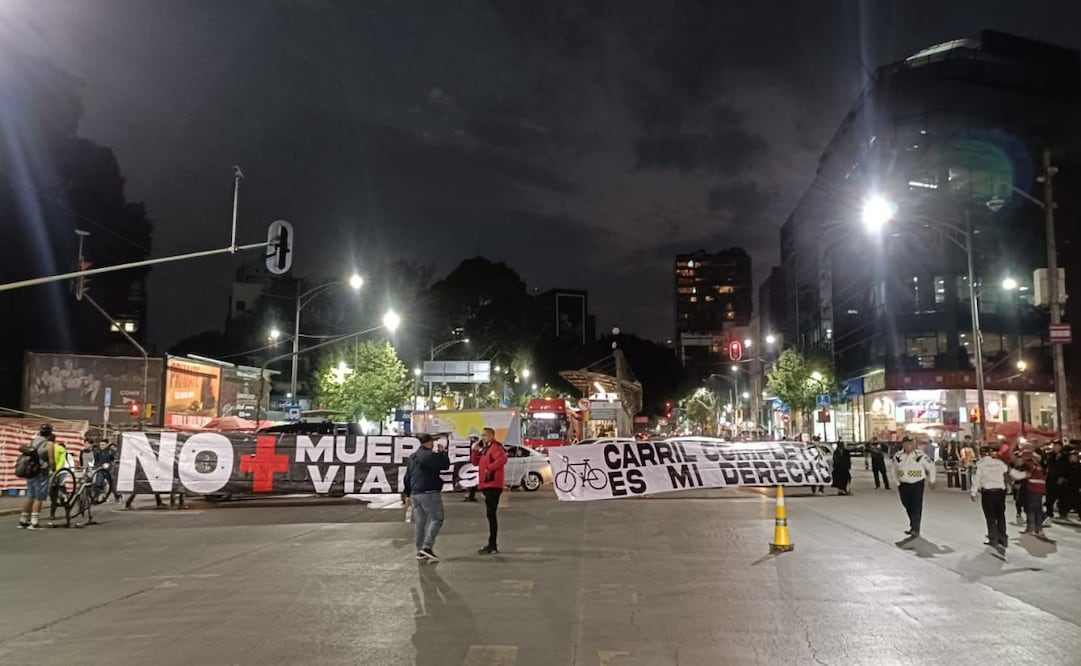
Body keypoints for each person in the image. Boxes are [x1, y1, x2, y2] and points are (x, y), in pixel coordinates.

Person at [402, 433, 451, 561]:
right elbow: (445, 465)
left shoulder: (412, 457)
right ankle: (427, 547)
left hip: (415, 493)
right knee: (437, 518)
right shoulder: (430, 455)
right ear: (429, 442)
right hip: (429, 492)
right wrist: (443, 453)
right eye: (432, 442)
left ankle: (420, 550)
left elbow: (407, 476)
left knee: (420, 522)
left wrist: (407, 494)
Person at [970, 446, 1021, 551]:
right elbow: (1008, 473)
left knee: (991, 517)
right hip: (1000, 492)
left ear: (980, 454)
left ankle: (993, 538)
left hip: (988, 493)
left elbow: (976, 479)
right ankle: (1003, 538)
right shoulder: (999, 463)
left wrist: (973, 492)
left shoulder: (980, 464)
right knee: (1000, 515)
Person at [472, 427, 507, 555]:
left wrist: (489, 468)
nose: (483, 437)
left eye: (485, 435)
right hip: (486, 484)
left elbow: (502, 459)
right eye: (482, 435)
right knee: (490, 515)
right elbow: (475, 462)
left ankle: (492, 544)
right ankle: (492, 544)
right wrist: (475, 451)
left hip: (493, 484)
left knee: (491, 515)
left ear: (491, 436)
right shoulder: (485, 449)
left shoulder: (495, 447)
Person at [893, 436, 936, 537]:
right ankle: (913, 524)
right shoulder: (898, 456)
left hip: (917, 483)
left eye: (912, 443)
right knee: (906, 504)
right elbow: (893, 469)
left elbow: (931, 467)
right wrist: (897, 482)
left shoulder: (920, 455)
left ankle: (915, 528)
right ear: (904, 445)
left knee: (916, 505)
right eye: (908, 444)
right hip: (903, 484)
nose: (911, 446)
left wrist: (932, 480)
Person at [17, 424, 55, 530]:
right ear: (50, 433)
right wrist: (54, 470)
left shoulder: (32, 441)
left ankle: (23, 520)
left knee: (30, 496)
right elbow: (51, 460)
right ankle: (34, 522)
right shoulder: (49, 444)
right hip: (42, 472)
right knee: (39, 497)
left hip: (31, 471)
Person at [1018, 453, 1048, 538]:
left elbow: (1025, 475)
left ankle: (1030, 528)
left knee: (1030, 510)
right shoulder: (1040, 466)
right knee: (1038, 510)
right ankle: (1039, 529)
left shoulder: (1028, 465)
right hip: (1040, 490)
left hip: (1031, 489)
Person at [1045, 440, 1070, 521]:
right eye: (1055, 446)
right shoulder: (1050, 455)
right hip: (1050, 479)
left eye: (1058, 446)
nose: (1056, 448)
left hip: (1060, 479)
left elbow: (1067, 468)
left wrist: (1063, 477)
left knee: (1062, 497)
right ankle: (1049, 513)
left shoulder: (1065, 456)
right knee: (1049, 497)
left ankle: (1063, 513)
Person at [463, 436, 480, 502]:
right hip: (469, 466)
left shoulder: (474, 447)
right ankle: (469, 496)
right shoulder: (470, 448)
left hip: (472, 466)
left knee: (472, 482)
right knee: (470, 482)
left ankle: (470, 496)